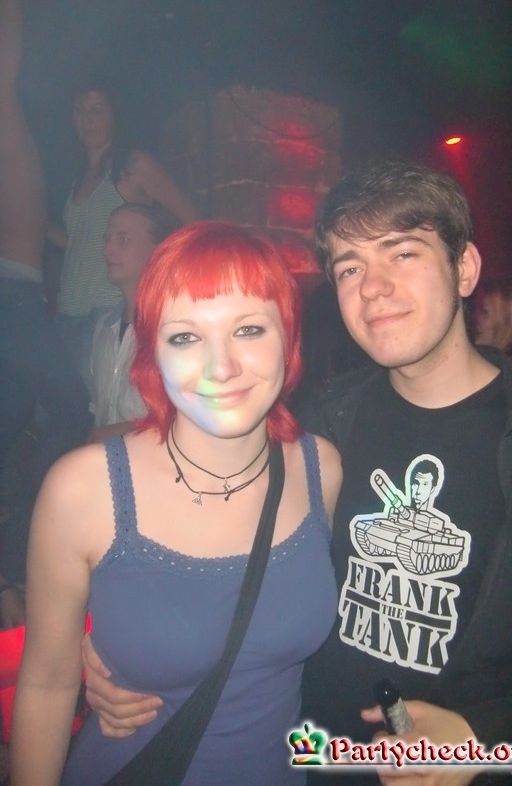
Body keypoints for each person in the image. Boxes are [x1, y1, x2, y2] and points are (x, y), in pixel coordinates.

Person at [84, 162, 512, 786]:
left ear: (464, 269)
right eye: (350, 267)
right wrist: (106, 642)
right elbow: (189, 521)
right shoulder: (314, 429)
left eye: (402, 253)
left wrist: (480, 734)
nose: (373, 287)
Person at [10, 220, 342, 786]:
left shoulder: (321, 469)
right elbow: (46, 684)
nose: (221, 367)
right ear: (151, 354)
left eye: (249, 329)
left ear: (288, 339)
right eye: (185, 337)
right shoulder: (85, 490)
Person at [0, 0, 91, 627]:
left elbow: (45, 234)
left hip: (16, 299)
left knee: (9, 430)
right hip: (14, 303)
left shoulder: (20, 152)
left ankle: (7, 578)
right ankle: (15, 556)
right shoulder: (8, 131)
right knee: (71, 410)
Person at [50, 81, 198, 385]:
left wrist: (164, 274)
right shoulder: (78, 178)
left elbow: (192, 221)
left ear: (114, 115)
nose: (87, 119)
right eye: (79, 110)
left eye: (97, 109)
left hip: (108, 310)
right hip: (67, 314)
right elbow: (78, 245)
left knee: (98, 407)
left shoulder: (133, 166)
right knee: (60, 408)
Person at [88, 203, 175, 443]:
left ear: (159, 252)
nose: (107, 250)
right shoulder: (104, 328)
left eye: (123, 239)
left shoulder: (176, 332)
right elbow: (99, 413)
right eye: (107, 239)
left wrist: (119, 433)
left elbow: (194, 420)